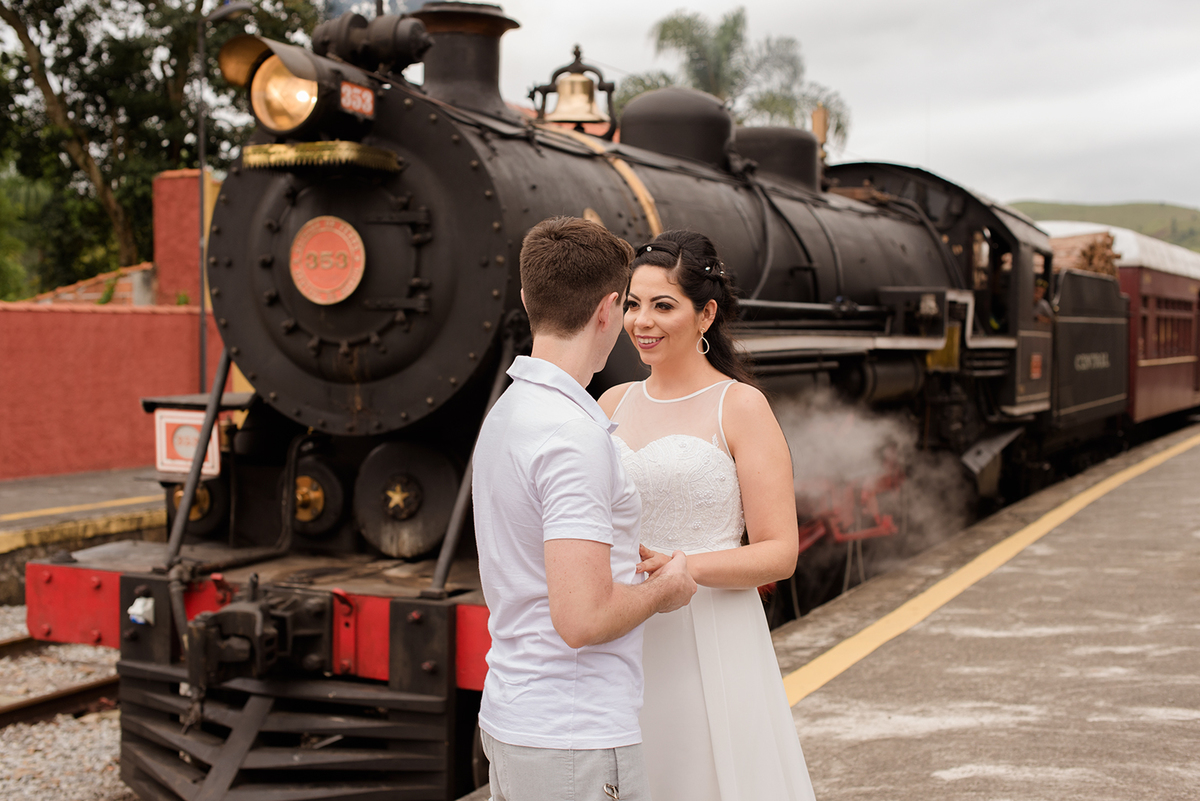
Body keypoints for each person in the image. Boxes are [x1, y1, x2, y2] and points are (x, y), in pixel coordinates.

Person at [473, 217, 697, 801]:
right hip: (572, 735)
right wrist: (664, 590)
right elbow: (583, 620)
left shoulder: (508, 412)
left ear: (526, 299)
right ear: (608, 309)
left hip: (516, 715)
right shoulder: (573, 435)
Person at [598, 230, 816, 801]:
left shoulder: (740, 406)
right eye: (632, 304)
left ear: (706, 313)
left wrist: (681, 565)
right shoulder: (612, 403)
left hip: (709, 631)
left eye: (663, 305)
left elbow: (779, 552)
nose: (642, 321)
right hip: (624, 630)